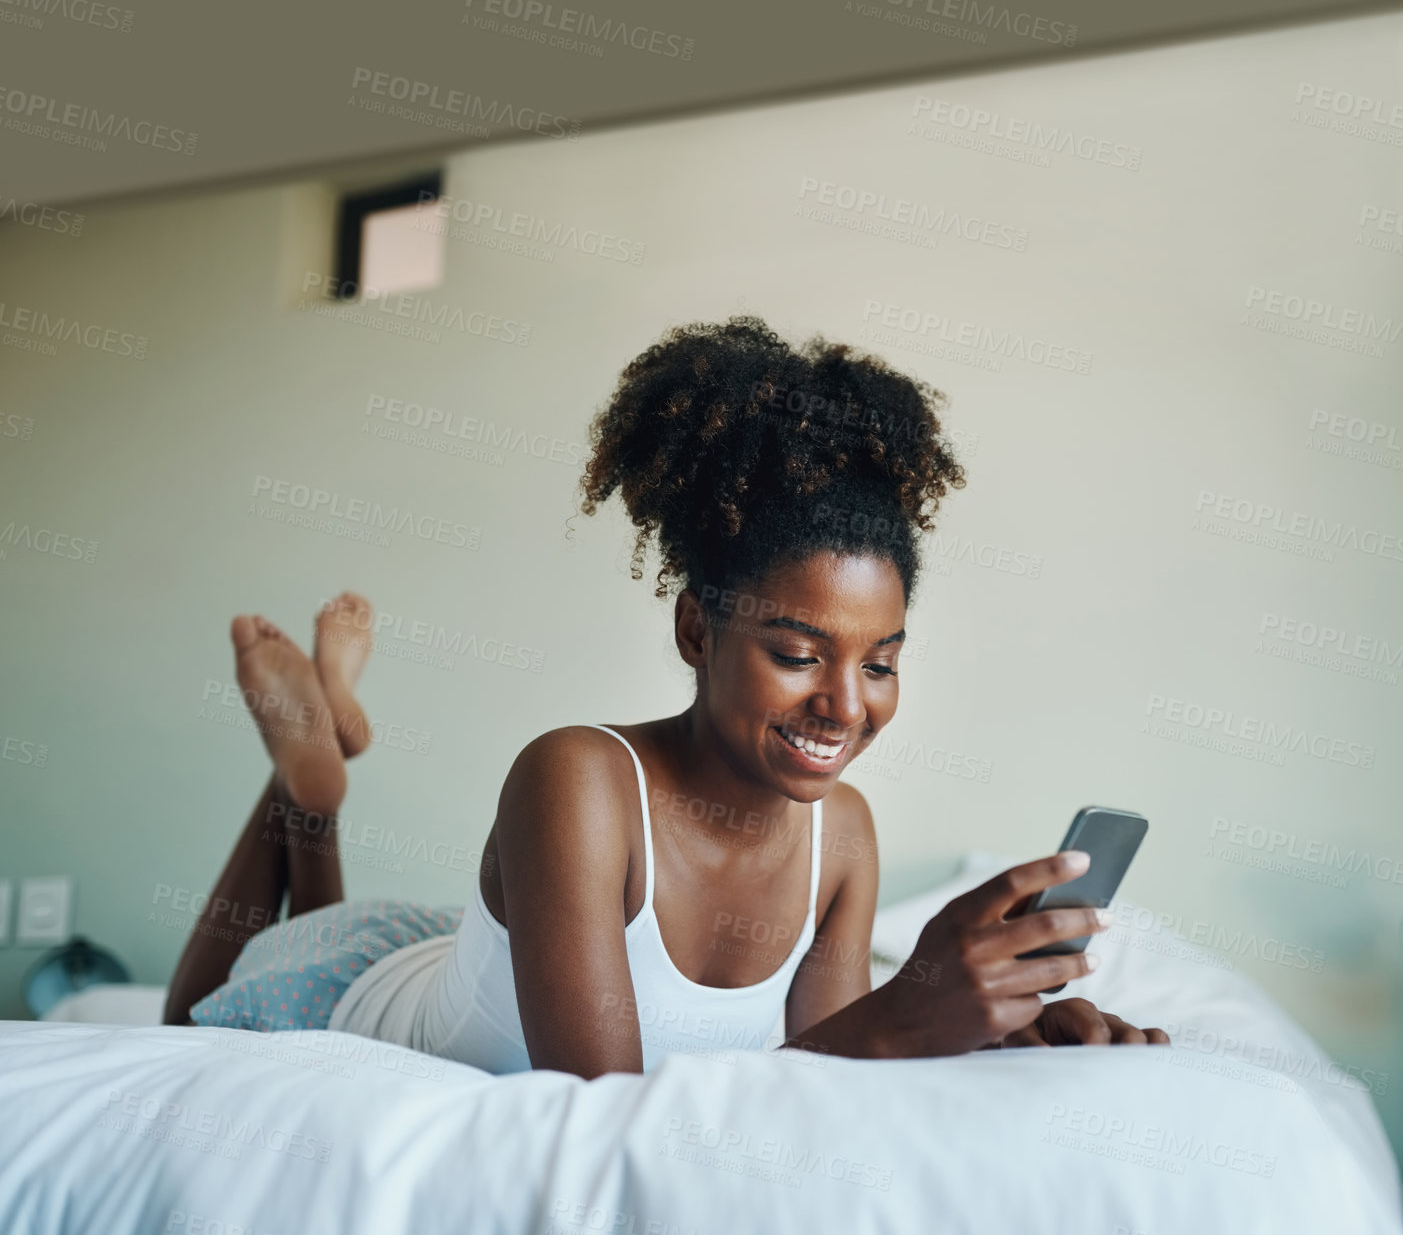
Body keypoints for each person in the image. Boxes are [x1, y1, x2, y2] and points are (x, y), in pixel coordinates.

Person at [164, 315, 1167, 1074]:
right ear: (697, 628)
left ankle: (311, 764)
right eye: (795, 651)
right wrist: (907, 1008)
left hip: (494, 958)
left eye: (878, 661)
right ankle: (302, 783)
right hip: (367, 991)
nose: (842, 705)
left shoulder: (842, 837)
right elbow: (605, 1115)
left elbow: (819, 1079)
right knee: (187, 1021)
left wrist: (987, 1031)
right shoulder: (575, 779)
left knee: (325, 861)